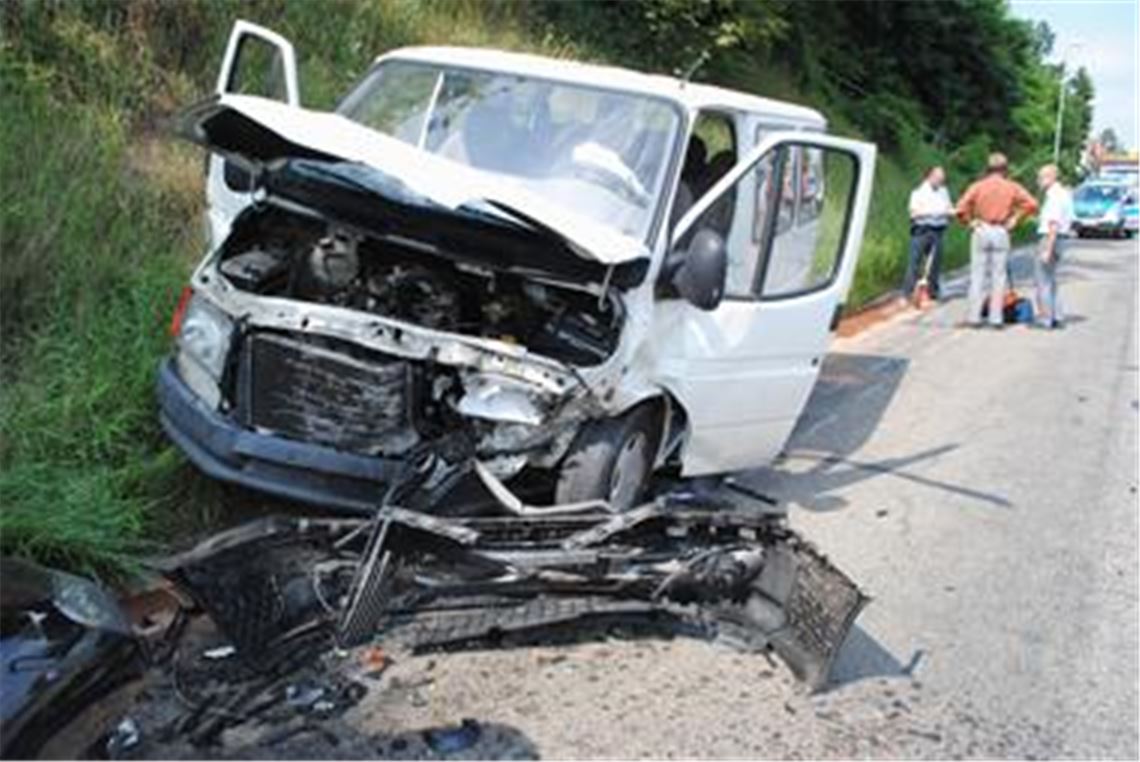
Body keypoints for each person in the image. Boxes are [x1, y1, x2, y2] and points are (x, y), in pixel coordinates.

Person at [955, 153, 1039, 328]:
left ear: (988, 168)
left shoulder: (977, 186)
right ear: (1005, 169)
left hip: (981, 229)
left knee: (977, 276)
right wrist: (1016, 218)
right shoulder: (1012, 187)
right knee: (998, 276)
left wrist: (970, 222)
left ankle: (974, 317)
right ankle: (996, 318)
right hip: (1001, 230)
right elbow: (1032, 204)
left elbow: (960, 208)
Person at [901, 166, 954, 304]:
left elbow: (948, 208)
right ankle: (907, 293)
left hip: (938, 229)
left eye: (942, 178)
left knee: (935, 263)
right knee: (914, 262)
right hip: (921, 229)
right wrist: (935, 212)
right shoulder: (918, 193)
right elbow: (914, 213)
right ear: (930, 177)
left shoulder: (944, 191)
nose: (941, 180)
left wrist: (950, 213)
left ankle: (932, 292)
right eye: (938, 177)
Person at [1034, 163, 1073, 329]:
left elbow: (1053, 224)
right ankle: (1057, 315)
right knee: (1051, 279)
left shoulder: (1054, 196)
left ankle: (1046, 318)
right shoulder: (1065, 194)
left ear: (1050, 178)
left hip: (1050, 238)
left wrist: (1047, 249)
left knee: (1042, 280)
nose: (1038, 181)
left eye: (1040, 177)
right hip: (1061, 238)